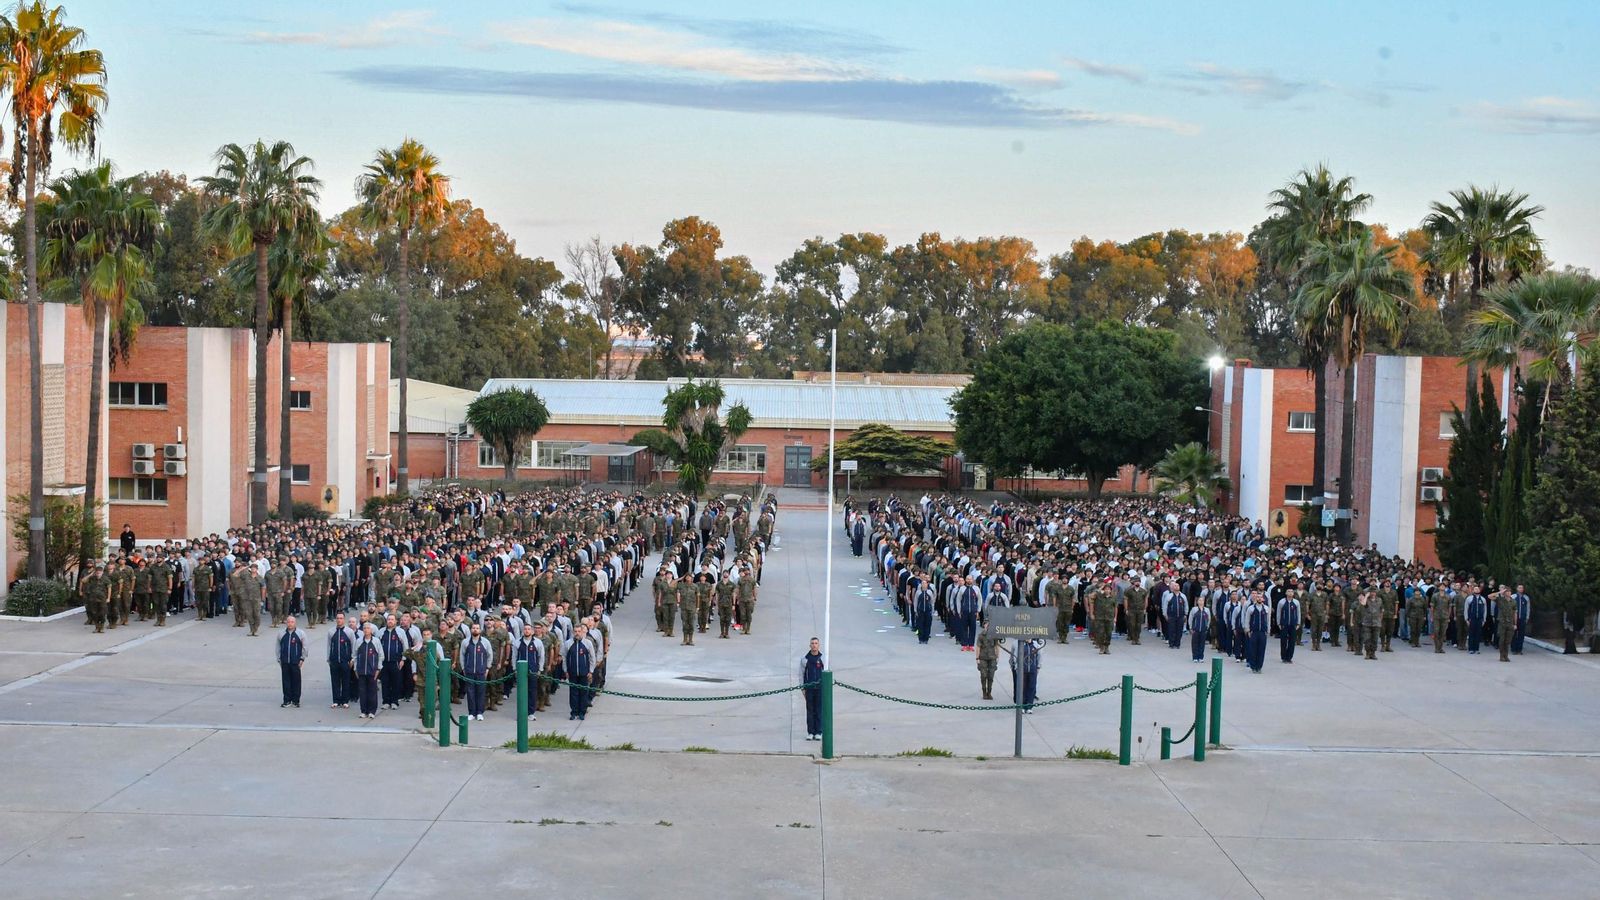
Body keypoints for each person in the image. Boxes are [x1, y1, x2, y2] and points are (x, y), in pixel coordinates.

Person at [459, 622, 492, 721]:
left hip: (481, 672)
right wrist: (463, 668)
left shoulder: (485, 642)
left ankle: (480, 712)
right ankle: (471, 713)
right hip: (469, 671)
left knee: (481, 692)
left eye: (477, 628)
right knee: (470, 692)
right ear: (471, 629)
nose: (475, 630)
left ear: (480, 630)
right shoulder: (465, 642)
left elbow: (490, 655)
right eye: (473, 628)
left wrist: (487, 668)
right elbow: (462, 655)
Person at [564, 622, 595, 721]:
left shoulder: (587, 643)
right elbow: (564, 658)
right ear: (573, 632)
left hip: (584, 673)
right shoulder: (568, 643)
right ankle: (574, 712)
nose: (577, 633)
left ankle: (582, 712)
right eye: (575, 631)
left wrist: (591, 671)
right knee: (573, 693)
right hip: (572, 673)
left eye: (579, 631)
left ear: (582, 632)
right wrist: (566, 670)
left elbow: (592, 658)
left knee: (583, 693)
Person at [353, 623, 384, 719]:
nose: (366, 630)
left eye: (368, 628)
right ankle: (363, 711)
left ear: (371, 630)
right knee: (362, 692)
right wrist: (355, 669)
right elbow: (355, 656)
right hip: (361, 671)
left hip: (373, 671)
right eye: (364, 628)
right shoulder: (358, 641)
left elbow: (381, 656)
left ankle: (372, 711)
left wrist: (378, 669)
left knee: (372, 692)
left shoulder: (376, 641)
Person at [327, 612, 356, 709]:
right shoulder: (331, 632)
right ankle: (336, 700)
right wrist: (328, 659)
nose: (339, 620)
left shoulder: (349, 632)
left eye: (341, 618)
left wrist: (352, 659)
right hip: (334, 661)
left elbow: (354, 645)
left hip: (345, 661)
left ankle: (345, 701)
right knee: (335, 681)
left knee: (345, 681)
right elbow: (329, 646)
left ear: (344, 620)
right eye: (338, 618)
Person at [277, 616, 305, 708]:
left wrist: (302, 658)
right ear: (286, 623)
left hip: (295, 662)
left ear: (295, 623)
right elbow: (278, 647)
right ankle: (287, 700)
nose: (290, 624)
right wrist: (279, 659)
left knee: (296, 681)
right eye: (288, 622)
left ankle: (295, 701)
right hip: (285, 662)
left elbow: (305, 647)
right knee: (286, 681)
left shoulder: (300, 633)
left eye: (292, 622)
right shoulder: (281, 634)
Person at [801, 637, 824, 741]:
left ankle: (818, 732)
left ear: (819, 645)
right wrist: (803, 688)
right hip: (809, 689)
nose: (814, 645)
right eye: (812, 643)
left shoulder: (823, 658)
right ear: (810, 645)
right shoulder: (805, 659)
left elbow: (827, 672)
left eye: (816, 643)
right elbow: (801, 674)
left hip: (820, 689)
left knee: (819, 710)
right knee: (810, 711)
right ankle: (810, 732)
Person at [1012, 637, 1042, 712]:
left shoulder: (1036, 645)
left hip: (1032, 670)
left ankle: (1029, 706)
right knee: (1022, 687)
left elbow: (1039, 656)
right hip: (1022, 670)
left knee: (1031, 687)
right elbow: (1016, 656)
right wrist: (1017, 667)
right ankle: (1022, 705)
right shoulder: (1020, 644)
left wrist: (1038, 666)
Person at [976, 624, 1000, 700]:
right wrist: (977, 658)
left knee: (991, 676)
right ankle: (984, 692)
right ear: (984, 626)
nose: (988, 626)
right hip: (983, 658)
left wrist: (997, 656)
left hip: (992, 658)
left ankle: (989, 692)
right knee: (983, 675)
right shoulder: (981, 635)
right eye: (986, 624)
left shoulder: (994, 635)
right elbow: (978, 647)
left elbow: (997, 646)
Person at [1277, 591, 1301, 664]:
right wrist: (1278, 623)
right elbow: (1278, 612)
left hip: (1293, 624)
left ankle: (1289, 657)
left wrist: (1298, 623)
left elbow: (1298, 613)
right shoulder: (1281, 602)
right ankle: (1283, 657)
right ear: (1286, 593)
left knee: (1292, 641)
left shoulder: (1296, 602)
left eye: (1291, 592)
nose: (1290, 593)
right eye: (1288, 591)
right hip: (1284, 624)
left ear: (1293, 594)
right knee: (1283, 641)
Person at [1189, 598, 1211, 663]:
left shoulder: (1207, 610)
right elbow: (1190, 618)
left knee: (1202, 644)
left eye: (1202, 601)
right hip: (1195, 630)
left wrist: (1207, 627)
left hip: (1203, 630)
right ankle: (1195, 657)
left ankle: (1201, 657)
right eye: (1200, 600)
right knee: (1195, 644)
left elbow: (1208, 619)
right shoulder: (1194, 609)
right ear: (1197, 602)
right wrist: (1191, 627)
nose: (1201, 602)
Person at [1510, 585, 1531, 655]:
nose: (1521, 589)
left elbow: (1528, 608)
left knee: (1521, 634)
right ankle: (1513, 649)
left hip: (1522, 618)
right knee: (1513, 634)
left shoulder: (1526, 598)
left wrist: (1527, 617)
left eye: (1522, 588)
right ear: (1517, 588)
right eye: (1519, 588)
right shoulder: (1513, 597)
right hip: (1514, 619)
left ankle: (1519, 649)